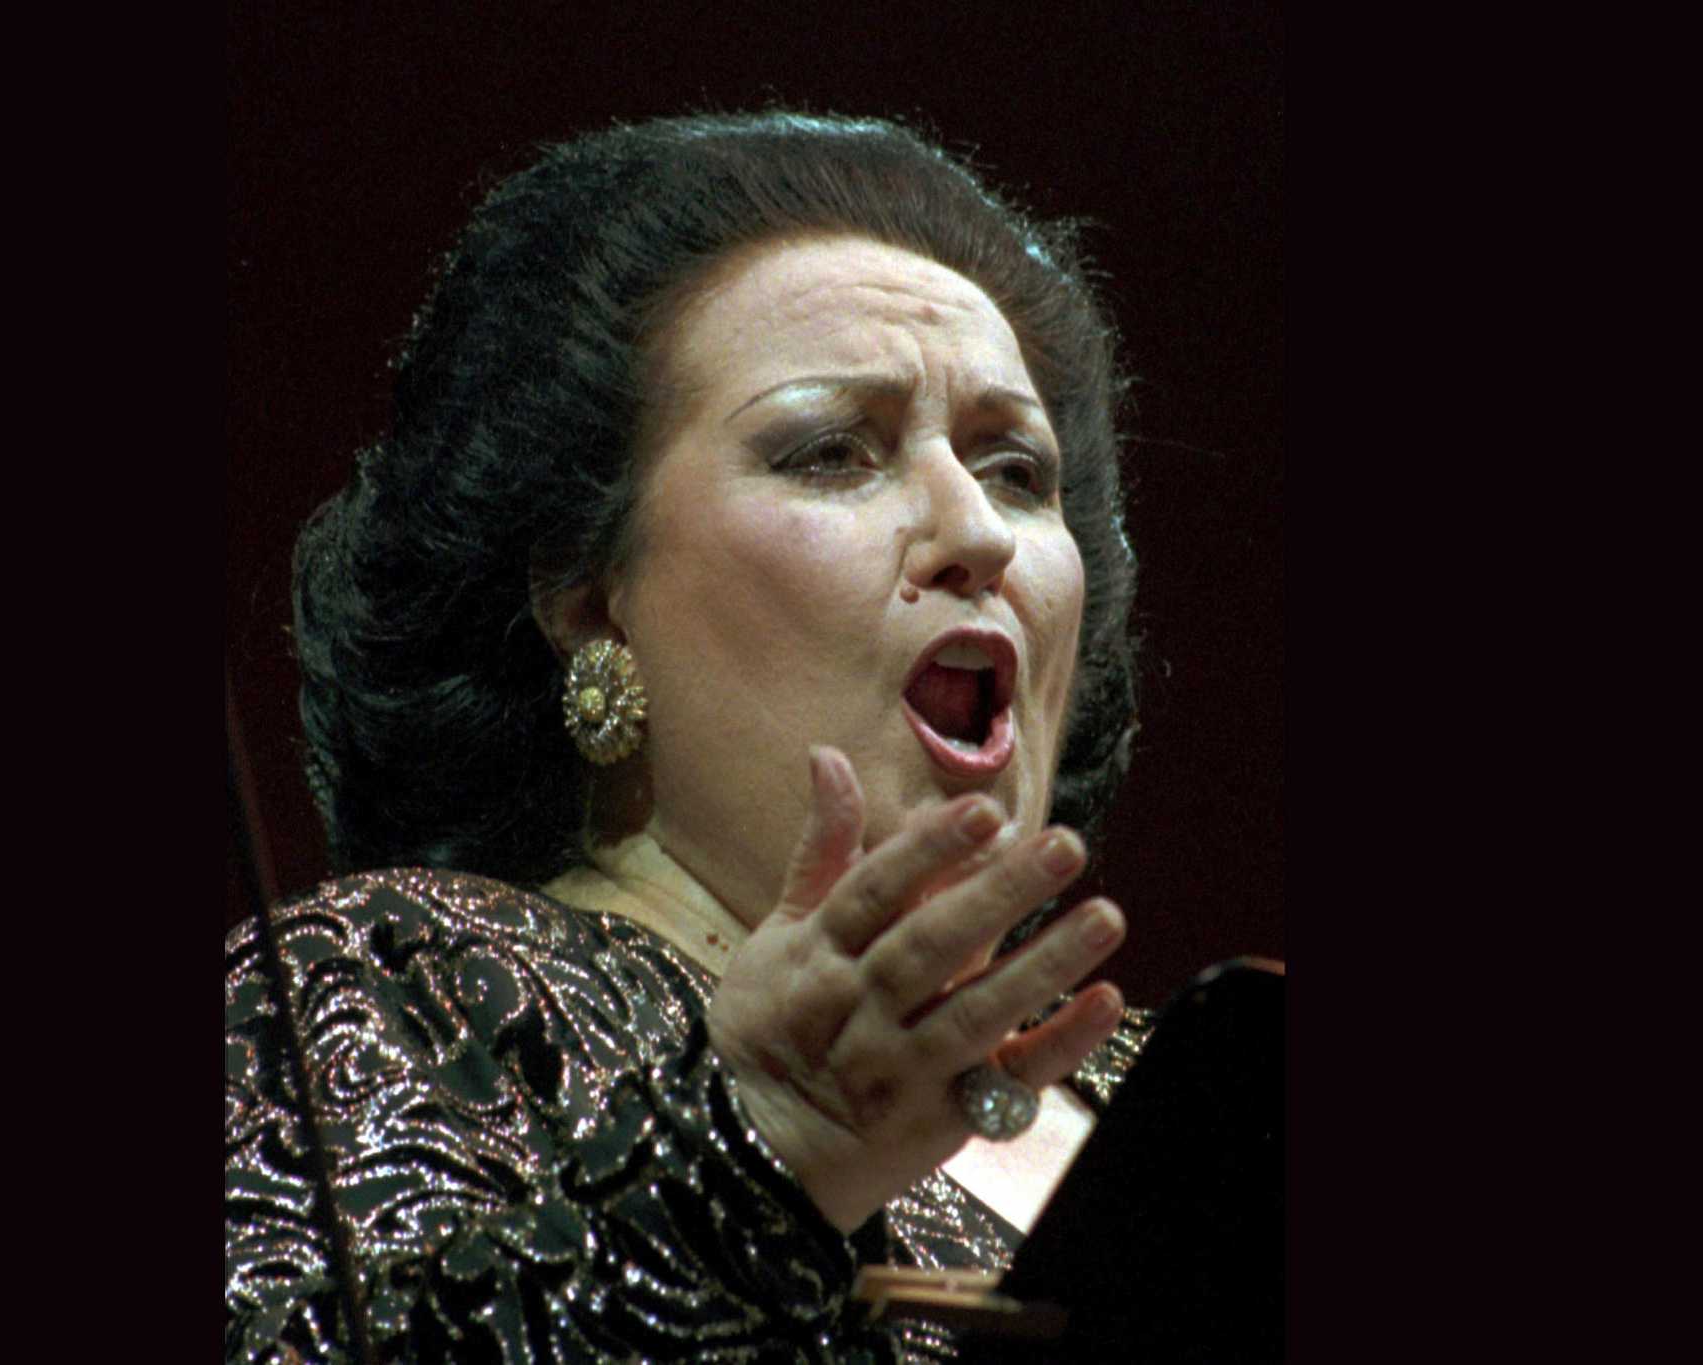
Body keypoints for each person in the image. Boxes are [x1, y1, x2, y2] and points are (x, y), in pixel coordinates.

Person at [226, 111, 1153, 1363]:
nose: (977, 533)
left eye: (1015, 472)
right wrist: (756, 1163)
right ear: (590, 600)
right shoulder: (400, 988)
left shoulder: (1179, 1098)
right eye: (832, 453)